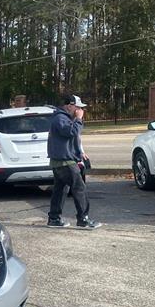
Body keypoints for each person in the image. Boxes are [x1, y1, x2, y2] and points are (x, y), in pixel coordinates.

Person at [47, 94, 101, 229]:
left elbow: (71, 138)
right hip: (65, 162)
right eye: (78, 107)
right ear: (69, 106)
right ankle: (83, 219)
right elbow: (71, 132)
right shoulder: (60, 118)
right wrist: (79, 119)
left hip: (61, 161)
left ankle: (54, 218)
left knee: (60, 190)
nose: (80, 110)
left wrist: (80, 151)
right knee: (79, 188)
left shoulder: (64, 118)